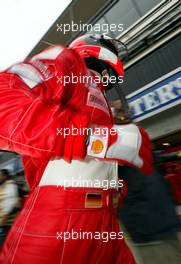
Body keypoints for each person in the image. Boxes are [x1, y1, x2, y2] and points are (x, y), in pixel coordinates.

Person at [0, 34, 152, 263]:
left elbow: (88, 162)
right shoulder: (65, 61)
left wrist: (113, 187)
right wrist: (97, 139)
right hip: (58, 224)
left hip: (104, 224)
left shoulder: (98, 98)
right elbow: (4, 97)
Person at [0, 169, 20, 248]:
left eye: (0, 175)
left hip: (7, 223)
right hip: (3, 223)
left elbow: (9, 204)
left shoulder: (11, 186)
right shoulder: (3, 187)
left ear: (5, 176)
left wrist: (4, 219)